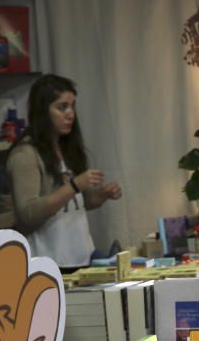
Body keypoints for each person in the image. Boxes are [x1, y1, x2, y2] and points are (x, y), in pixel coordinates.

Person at [6, 74, 121, 268]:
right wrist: (74, 186)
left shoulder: (66, 148)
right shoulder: (25, 154)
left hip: (83, 260)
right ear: (43, 111)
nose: (70, 114)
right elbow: (28, 214)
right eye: (62, 107)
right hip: (49, 266)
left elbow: (74, 203)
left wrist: (100, 195)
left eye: (72, 106)